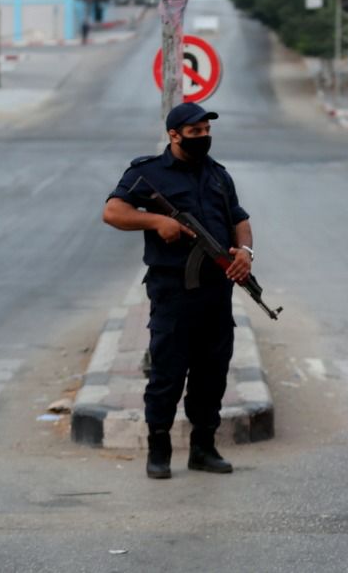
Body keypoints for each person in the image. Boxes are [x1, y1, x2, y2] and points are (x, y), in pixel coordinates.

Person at [102, 101, 254, 480]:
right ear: (174, 135)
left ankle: (204, 447)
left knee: (212, 372)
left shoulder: (218, 175)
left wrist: (245, 253)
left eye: (206, 131)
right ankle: (159, 449)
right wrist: (155, 221)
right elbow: (113, 211)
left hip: (215, 291)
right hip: (172, 291)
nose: (204, 137)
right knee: (168, 372)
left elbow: (240, 218)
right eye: (195, 132)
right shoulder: (149, 173)